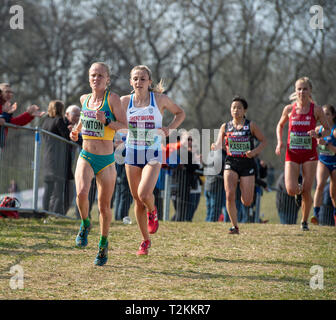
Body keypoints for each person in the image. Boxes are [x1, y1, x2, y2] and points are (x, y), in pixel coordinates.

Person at [121, 65, 185, 255]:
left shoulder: (159, 99)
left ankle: (153, 211)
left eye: (143, 79)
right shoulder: (125, 101)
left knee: (144, 193)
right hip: (132, 151)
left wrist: (170, 129)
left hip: (153, 151)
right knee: (137, 201)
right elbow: (111, 116)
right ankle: (145, 241)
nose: (139, 82)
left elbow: (180, 113)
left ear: (150, 82)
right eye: (136, 79)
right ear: (130, 82)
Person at [70, 62, 126, 266]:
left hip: (106, 160)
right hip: (86, 155)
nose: (96, 78)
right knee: (81, 193)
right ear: (88, 78)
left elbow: (124, 126)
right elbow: (84, 120)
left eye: (101, 76)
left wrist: (108, 122)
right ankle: (85, 223)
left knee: (104, 207)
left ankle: (103, 244)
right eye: (93, 75)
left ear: (107, 79)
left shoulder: (113, 99)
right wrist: (76, 129)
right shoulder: (84, 99)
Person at [275, 77, 330, 231]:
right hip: (292, 153)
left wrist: (318, 135)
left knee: (307, 189)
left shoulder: (316, 109)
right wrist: (279, 142)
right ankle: (298, 192)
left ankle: (304, 221)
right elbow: (280, 126)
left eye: (305, 89)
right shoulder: (289, 109)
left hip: (309, 154)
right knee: (291, 189)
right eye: (299, 89)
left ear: (310, 91)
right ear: (295, 91)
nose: (301, 92)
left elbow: (327, 129)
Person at [211, 95, 267, 234]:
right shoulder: (226, 126)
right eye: (233, 107)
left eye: (239, 108)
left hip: (247, 163)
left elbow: (264, 141)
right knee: (229, 194)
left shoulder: (250, 125)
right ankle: (234, 226)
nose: (236, 110)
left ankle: (245, 193)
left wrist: (253, 152)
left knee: (247, 201)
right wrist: (215, 146)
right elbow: (219, 143)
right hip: (231, 162)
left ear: (244, 110)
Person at [41, 100, 71, 215]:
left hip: (48, 157)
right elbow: (67, 137)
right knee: (59, 190)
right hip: (58, 158)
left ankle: (44, 212)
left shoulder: (46, 121)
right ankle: (55, 213)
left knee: (48, 189)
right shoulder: (59, 120)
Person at [311, 104, 336, 225]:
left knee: (333, 193)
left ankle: (335, 214)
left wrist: (326, 144)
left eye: (327, 114)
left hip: (334, 162)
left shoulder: (335, 131)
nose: (325, 116)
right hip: (323, 160)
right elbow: (313, 139)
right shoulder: (319, 129)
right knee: (319, 185)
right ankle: (315, 215)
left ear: (333, 116)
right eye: (323, 114)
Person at [64, 105, 82, 215]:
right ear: (67, 114)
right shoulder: (64, 124)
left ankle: (78, 212)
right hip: (65, 162)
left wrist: (78, 135)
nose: (77, 118)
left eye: (79, 115)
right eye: (75, 115)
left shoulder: (80, 126)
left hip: (77, 162)